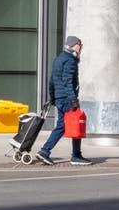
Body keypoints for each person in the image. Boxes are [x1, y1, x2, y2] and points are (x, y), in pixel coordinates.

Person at [31, 35, 90, 166]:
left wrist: (52, 97)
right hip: (68, 99)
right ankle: (76, 156)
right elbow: (68, 82)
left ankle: (45, 151)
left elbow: (52, 81)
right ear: (74, 45)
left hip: (59, 98)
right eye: (80, 45)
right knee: (76, 124)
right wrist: (73, 100)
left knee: (62, 126)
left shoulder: (58, 59)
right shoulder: (70, 60)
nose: (81, 48)